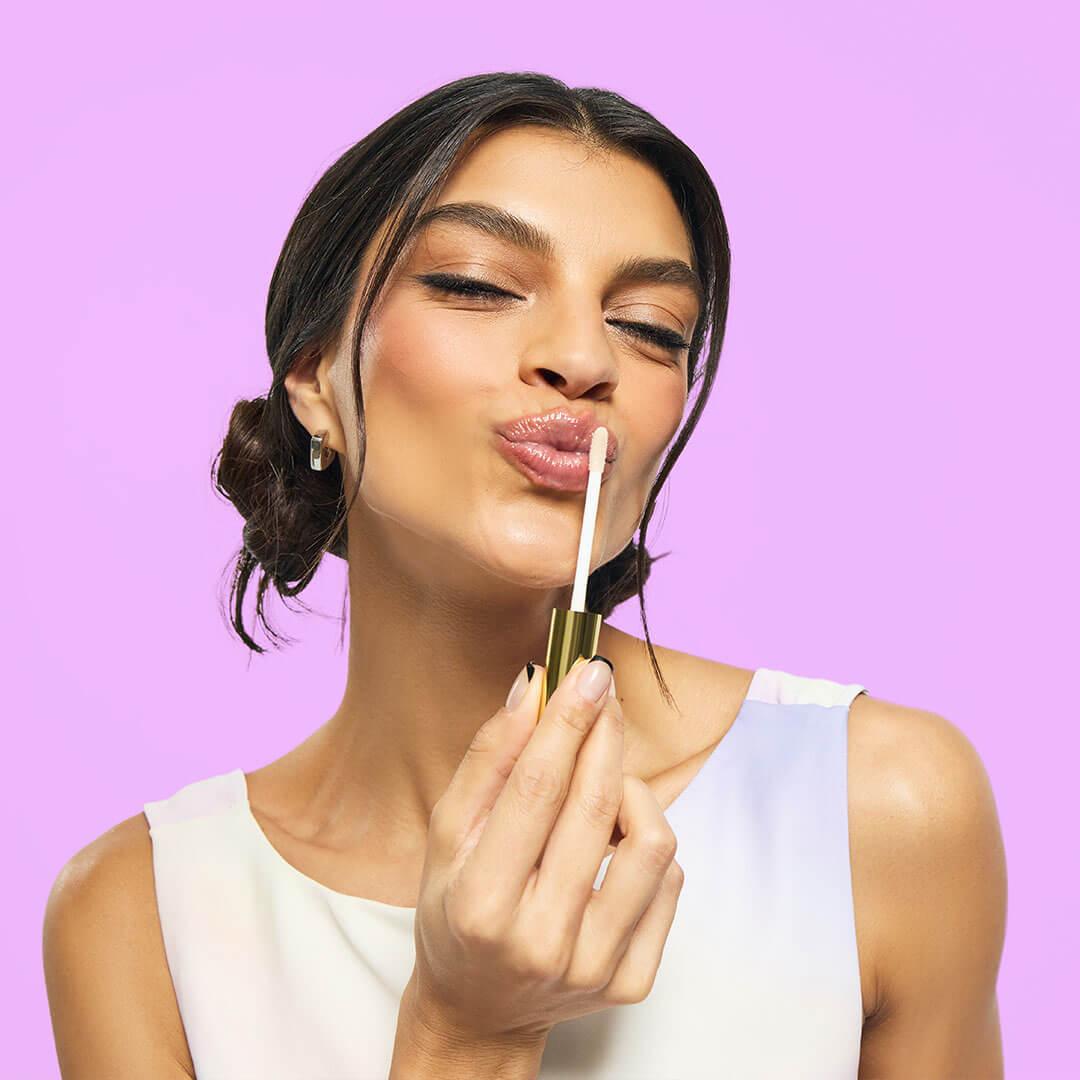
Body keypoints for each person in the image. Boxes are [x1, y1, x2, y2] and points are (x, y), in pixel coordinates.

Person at [43, 72, 1006, 1079]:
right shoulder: (142, 914)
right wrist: (469, 1035)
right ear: (316, 377)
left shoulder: (879, 811)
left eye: (650, 328)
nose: (585, 357)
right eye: (476, 283)